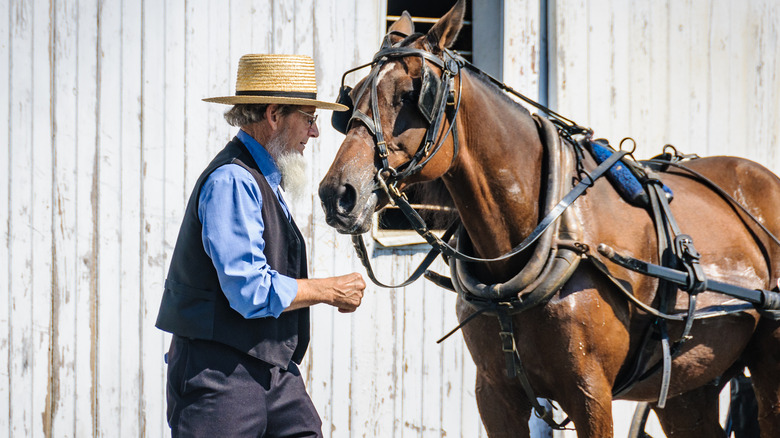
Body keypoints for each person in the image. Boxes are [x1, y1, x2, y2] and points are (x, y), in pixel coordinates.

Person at [155, 54, 366, 437]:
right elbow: (249, 289)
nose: (314, 133)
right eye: (308, 118)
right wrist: (328, 290)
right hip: (218, 377)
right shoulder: (233, 180)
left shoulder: (264, 179)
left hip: (272, 374)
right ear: (273, 115)